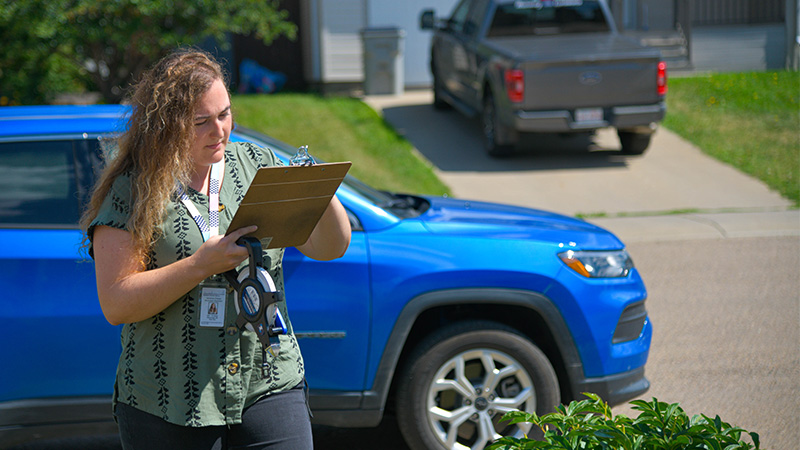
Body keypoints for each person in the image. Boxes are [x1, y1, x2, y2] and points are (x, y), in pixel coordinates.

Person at [81, 49, 351, 449]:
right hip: (168, 399)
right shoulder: (133, 189)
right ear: (166, 126)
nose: (220, 130)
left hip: (268, 381)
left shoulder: (257, 164)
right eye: (201, 122)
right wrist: (199, 266)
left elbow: (330, 246)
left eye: (224, 114)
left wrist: (318, 188)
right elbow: (117, 303)